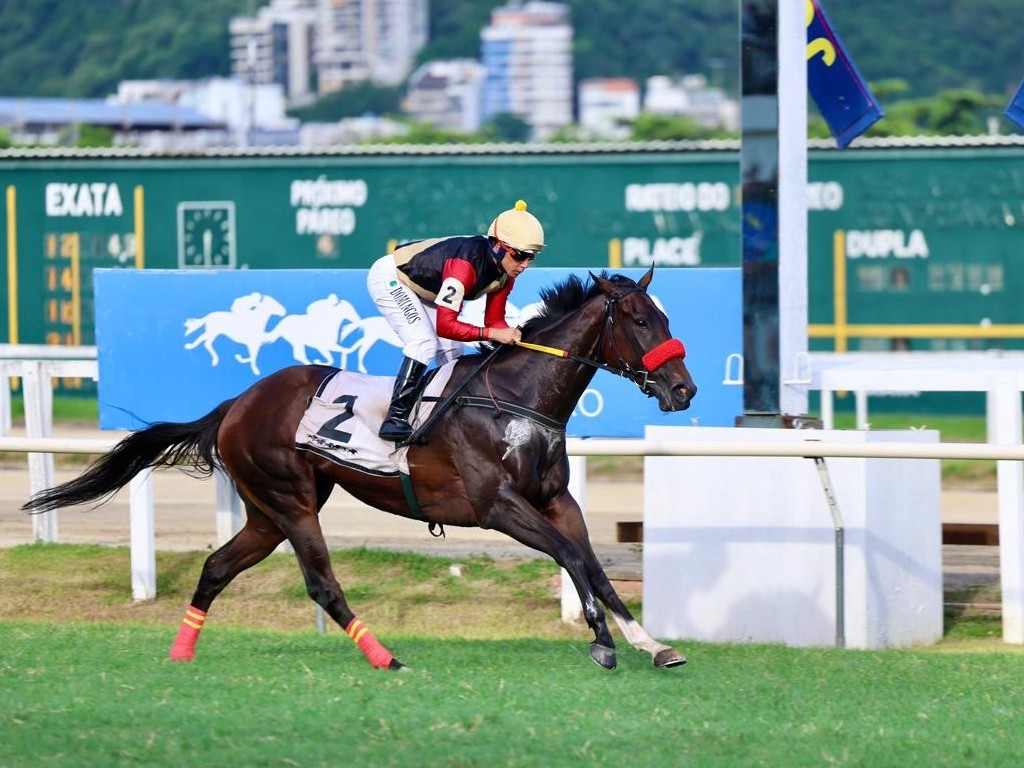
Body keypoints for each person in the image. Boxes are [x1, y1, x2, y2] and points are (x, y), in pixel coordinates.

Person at [366, 199, 544, 442]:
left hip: (427, 290)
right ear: (499, 247)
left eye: (531, 257)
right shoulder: (464, 267)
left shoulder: (507, 274)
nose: (524, 265)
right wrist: (493, 334)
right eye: (520, 255)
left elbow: (494, 322)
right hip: (392, 278)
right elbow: (446, 326)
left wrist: (517, 336)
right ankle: (395, 418)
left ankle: (440, 416)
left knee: (453, 354)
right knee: (423, 342)